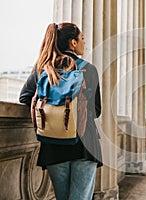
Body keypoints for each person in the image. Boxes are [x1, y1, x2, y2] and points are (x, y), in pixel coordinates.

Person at [19, 22, 102, 200]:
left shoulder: (43, 69)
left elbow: (25, 98)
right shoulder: (88, 69)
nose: (83, 43)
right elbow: (96, 111)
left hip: (53, 144)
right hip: (84, 144)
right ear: (73, 43)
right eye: (82, 39)